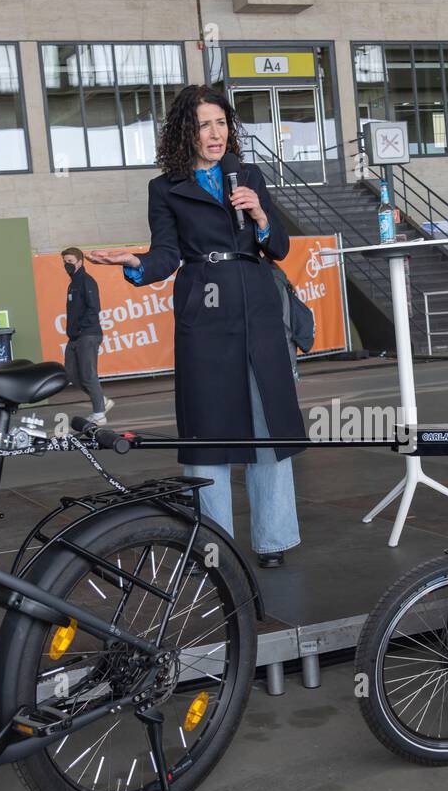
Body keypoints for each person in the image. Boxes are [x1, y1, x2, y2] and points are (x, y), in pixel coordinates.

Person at [88, 84, 303, 568]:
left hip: (257, 304)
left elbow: (281, 249)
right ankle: (214, 543)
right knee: (207, 428)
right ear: (186, 131)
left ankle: (274, 539)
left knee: (267, 423)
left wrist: (261, 215)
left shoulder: (247, 175)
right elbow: (167, 254)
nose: (215, 133)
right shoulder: (164, 188)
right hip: (204, 309)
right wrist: (136, 263)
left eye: (222, 123)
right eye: (204, 124)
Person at [60, 247, 114, 425]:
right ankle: (102, 401)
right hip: (75, 337)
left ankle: (99, 414)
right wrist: (73, 332)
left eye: (70, 262)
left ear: (80, 262)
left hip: (88, 335)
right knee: (72, 374)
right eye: (64, 262)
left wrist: (81, 329)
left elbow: (94, 308)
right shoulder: (72, 283)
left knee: (88, 375)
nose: (66, 265)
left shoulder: (86, 281)